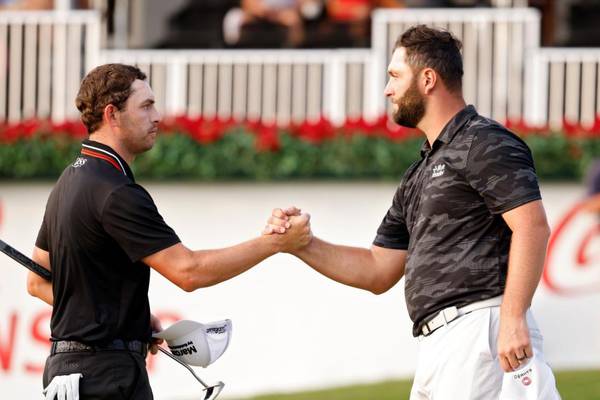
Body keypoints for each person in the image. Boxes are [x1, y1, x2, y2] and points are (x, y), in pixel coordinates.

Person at [265, 25, 561, 399]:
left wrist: (513, 316)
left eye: (394, 76)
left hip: (481, 332)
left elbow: (532, 226)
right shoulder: (417, 173)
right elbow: (377, 270)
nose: (387, 90)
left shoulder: (484, 140)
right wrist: (301, 244)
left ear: (427, 79)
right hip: (440, 345)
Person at [26, 63, 312, 399]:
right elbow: (188, 271)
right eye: (145, 106)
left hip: (70, 372)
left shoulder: (69, 180)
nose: (157, 116)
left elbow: (38, 280)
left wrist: (121, 316)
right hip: (106, 376)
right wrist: (275, 243)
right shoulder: (116, 191)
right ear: (112, 115)